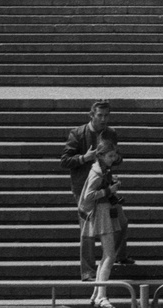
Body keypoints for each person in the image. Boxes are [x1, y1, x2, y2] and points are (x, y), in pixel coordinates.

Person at [61, 101, 133, 280]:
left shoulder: (110, 133)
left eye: (106, 115)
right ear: (91, 116)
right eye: (100, 115)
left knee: (122, 222)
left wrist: (114, 161)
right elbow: (64, 160)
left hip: (105, 186)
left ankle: (119, 256)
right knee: (87, 231)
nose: (103, 119)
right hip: (84, 187)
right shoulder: (77, 134)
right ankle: (88, 272)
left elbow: (115, 157)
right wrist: (84, 158)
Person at [78, 129, 129, 308]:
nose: (113, 159)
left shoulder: (102, 169)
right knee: (109, 256)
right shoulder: (97, 172)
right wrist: (109, 191)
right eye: (110, 156)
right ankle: (101, 295)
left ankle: (96, 293)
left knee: (107, 255)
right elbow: (88, 196)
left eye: (114, 156)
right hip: (101, 214)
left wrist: (110, 183)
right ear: (101, 155)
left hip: (104, 212)